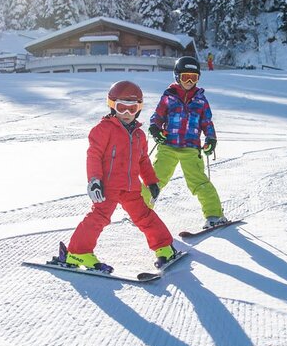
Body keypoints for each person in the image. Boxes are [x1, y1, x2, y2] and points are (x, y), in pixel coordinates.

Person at [61, 80, 177, 271]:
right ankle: (78, 253)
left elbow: (143, 161)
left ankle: (164, 246)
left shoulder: (139, 134)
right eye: (121, 108)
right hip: (109, 187)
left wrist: (151, 181)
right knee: (99, 217)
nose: (127, 114)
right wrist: (95, 181)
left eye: (132, 109)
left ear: (139, 109)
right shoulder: (103, 129)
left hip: (131, 187)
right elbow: (94, 155)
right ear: (112, 106)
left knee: (145, 216)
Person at [142, 56, 227, 229]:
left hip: (190, 148)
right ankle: (141, 210)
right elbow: (157, 117)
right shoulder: (168, 97)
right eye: (185, 77)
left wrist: (211, 138)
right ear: (177, 76)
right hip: (168, 145)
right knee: (155, 179)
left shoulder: (201, 100)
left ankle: (214, 215)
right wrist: (155, 129)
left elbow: (207, 122)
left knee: (198, 182)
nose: (189, 81)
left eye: (193, 78)